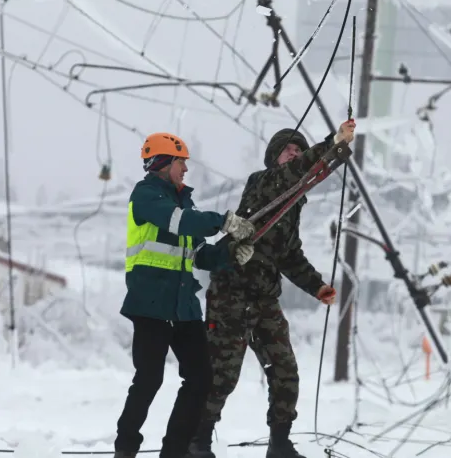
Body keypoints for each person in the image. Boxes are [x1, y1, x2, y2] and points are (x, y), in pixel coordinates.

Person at [187, 120, 356, 458]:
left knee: (285, 371)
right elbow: (294, 173)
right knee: (223, 372)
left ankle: (280, 443)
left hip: (264, 298)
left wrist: (316, 285)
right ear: (274, 157)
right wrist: (331, 143)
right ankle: (198, 441)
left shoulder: (292, 204)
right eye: (288, 150)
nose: (294, 154)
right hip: (231, 293)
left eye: (298, 150)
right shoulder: (262, 184)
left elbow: (289, 254)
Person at [114, 132, 259, 458]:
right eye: (181, 162)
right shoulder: (147, 196)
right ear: (163, 163)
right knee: (149, 380)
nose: (186, 170)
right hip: (150, 303)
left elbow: (199, 255)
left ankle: (175, 450)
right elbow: (180, 223)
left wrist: (231, 254)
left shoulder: (184, 203)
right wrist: (223, 221)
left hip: (183, 306)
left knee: (200, 378)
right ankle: (125, 449)